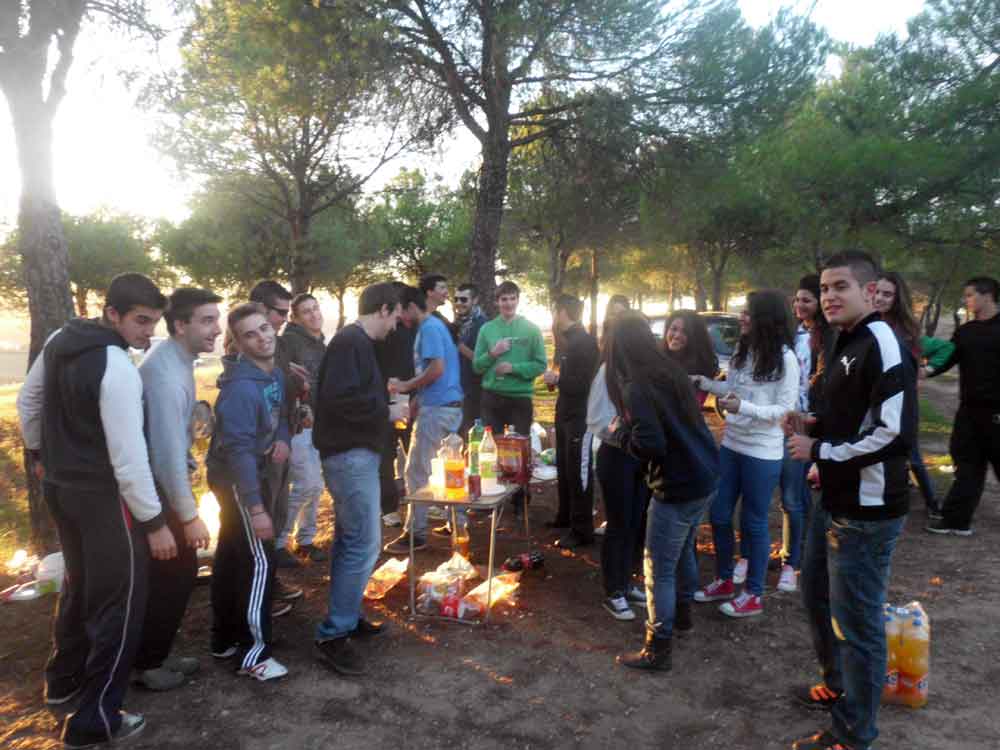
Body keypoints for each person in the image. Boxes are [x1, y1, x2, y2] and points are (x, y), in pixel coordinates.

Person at [17, 273, 174, 747]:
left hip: (62, 490)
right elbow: (129, 458)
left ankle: (63, 683)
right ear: (113, 315)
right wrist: (154, 522)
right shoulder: (117, 367)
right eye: (141, 322)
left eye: (154, 323)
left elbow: (29, 403)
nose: (148, 332)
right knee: (119, 606)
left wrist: (42, 457)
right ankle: (95, 718)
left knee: (79, 585)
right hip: (105, 500)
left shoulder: (62, 338)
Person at [787, 250, 916, 750]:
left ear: (870, 290)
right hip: (833, 499)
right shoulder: (849, 340)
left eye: (840, 286)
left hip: (867, 512)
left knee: (858, 626)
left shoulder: (884, 342)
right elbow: (852, 415)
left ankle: (855, 733)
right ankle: (837, 685)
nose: (828, 296)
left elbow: (894, 435)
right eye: (823, 288)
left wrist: (819, 448)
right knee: (815, 597)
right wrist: (815, 425)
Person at [606, 313, 720, 671]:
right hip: (704, 473)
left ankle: (658, 647)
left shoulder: (635, 386)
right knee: (684, 547)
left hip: (679, 484)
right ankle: (682, 614)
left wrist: (619, 434)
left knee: (658, 567)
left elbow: (651, 444)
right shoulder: (669, 371)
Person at [312, 283, 406, 676]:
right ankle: (334, 633)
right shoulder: (351, 342)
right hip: (349, 456)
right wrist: (387, 410)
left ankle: (346, 615)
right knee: (364, 542)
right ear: (383, 309)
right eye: (397, 316)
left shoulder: (357, 345)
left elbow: (349, 394)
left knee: (350, 539)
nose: (398, 325)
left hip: (356, 454)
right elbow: (337, 401)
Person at [132, 288, 222, 692]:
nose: (216, 329)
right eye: (206, 320)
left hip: (158, 486)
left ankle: (154, 655)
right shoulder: (166, 375)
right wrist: (187, 516)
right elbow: (166, 456)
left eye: (216, 320)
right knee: (174, 573)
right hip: (158, 490)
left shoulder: (176, 361)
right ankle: (149, 664)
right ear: (180, 324)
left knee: (171, 573)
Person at [692, 291, 799, 618]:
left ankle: (753, 593)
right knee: (720, 514)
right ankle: (725, 579)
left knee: (753, 521)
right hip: (732, 445)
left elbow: (784, 409)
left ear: (765, 318)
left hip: (762, 453)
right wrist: (706, 384)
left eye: (748, 314)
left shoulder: (786, 358)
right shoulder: (742, 350)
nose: (742, 318)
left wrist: (744, 407)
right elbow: (733, 390)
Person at [206, 303, 291, 681]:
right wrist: (256, 509)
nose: (263, 337)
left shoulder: (271, 374)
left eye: (264, 328)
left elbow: (282, 416)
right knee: (260, 561)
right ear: (237, 343)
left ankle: (225, 638)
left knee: (231, 556)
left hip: (252, 473)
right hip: (240, 481)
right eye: (251, 334)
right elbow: (238, 452)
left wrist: (283, 438)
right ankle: (254, 655)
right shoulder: (240, 389)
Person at [385, 285, 465, 553]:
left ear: (410, 306)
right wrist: (418, 399)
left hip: (439, 409)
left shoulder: (429, 328)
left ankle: (415, 535)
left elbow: (437, 369)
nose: (399, 316)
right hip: (446, 406)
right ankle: (459, 526)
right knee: (450, 468)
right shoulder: (434, 327)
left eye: (400, 309)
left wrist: (406, 386)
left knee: (416, 471)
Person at [925, 276, 1000, 536]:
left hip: (997, 414)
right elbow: (947, 358)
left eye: (969, 295)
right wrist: (925, 371)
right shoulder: (965, 332)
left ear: (987, 294)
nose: (966, 300)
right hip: (968, 411)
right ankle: (956, 521)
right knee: (966, 466)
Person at [587, 314, 649, 620]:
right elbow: (597, 420)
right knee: (619, 524)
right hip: (616, 457)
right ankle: (613, 590)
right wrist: (625, 435)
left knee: (636, 522)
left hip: (641, 457)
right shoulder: (607, 374)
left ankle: (627, 582)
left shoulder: (642, 370)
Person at [774, 276, 830, 595]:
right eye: (797, 300)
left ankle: (794, 563)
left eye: (806, 300)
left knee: (794, 497)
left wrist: (813, 420)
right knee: (795, 497)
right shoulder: (793, 335)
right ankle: (797, 553)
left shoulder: (827, 338)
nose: (800, 306)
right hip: (785, 420)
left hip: (806, 423)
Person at [874, 271, 938, 515]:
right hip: (875, 399)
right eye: (877, 292)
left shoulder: (903, 330)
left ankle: (933, 504)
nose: (880, 298)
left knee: (912, 455)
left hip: (899, 401)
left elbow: (909, 371)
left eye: (887, 294)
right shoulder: (869, 322)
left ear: (897, 298)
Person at [543, 294, 600, 549]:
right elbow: (568, 379)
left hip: (580, 417)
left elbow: (584, 384)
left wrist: (557, 380)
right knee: (565, 467)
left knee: (579, 472)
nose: (553, 315)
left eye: (555, 310)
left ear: (562, 311)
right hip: (565, 412)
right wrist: (555, 382)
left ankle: (582, 529)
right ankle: (564, 517)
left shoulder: (585, 342)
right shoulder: (567, 340)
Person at [276, 293, 328, 563]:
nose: (313, 315)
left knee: (316, 485)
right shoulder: (289, 342)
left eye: (315, 309)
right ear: (295, 318)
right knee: (305, 483)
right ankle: (278, 541)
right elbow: (285, 378)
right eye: (306, 312)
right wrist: (300, 401)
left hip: (318, 422)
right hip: (298, 422)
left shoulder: (319, 342)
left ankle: (306, 539)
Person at [374, 281, 417, 528]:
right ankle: (388, 508)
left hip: (411, 400)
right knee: (385, 455)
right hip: (384, 400)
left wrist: (414, 395)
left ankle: (420, 502)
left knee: (416, 451)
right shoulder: (380, 332)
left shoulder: (416, 329)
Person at [662, 310, 718, 405]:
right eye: (674, 329)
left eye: (685, 332)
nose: (677, 336)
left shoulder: (701, 371)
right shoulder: (656, 360)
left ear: (695, 337)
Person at [454, 282, 489, 436]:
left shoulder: (484, 325)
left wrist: (459, 345)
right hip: (460, 389)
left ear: (475, 300)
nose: (458, 303)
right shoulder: (458, 323)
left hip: (476, 392)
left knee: (474, 438)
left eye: (463, 300)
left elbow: (484, 360)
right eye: (456, 299)